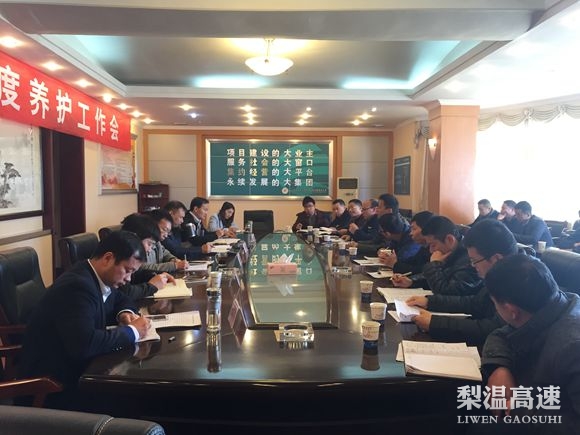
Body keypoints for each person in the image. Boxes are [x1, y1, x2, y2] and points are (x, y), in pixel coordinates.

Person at [19, 231, 151, 405]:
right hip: (53, 386)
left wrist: (124, 313)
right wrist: (133, 331)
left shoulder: (94, 275)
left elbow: (120, 298)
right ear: (108, 258)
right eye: (127, 270)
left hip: (79, 369)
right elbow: (85, 344)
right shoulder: (77, 286)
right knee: (139, 399)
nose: (129, 279)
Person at [479, 254, 580, 433]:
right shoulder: (554, 303)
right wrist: (499, 368)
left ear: (511, 310)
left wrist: (521, 409)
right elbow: (500, 335)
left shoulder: (572, 350)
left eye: (495, 304)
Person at [406, 219, 518, 345]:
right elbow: (475, 303)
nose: (473, 265)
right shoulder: (501, 275)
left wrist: (435, 323)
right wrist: (430, 302)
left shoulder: (521, 281)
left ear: (496, 259)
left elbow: (492, 328)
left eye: (474, 261)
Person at [392, 215, 482, 296]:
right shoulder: (451, 252)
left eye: (433, 245)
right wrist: (412, 282)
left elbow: (448, 293)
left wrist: (433, 266)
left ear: (449, 240)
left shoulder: (469, 259)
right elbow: (442, 278)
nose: (431, 250)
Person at [119, 213, 175, 299]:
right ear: (135, 237)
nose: (149, 250)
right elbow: (124, 293)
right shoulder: (120, 256)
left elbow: (138, 275)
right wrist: (152, 286)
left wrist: (156, 277)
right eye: (149, 244)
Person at [141, 209, 188, 273]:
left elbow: (164, 253)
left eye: (168, 232)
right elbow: (142, 267)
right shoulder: (143, 241)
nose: (166, 235)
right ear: (153, 225)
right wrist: (175, 266)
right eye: (164, 230)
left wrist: (173, 259)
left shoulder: (157, 242)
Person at [390, 211, 434, 275]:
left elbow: (420, 271)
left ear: (426, 230)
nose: (411, 233)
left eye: (414, 229)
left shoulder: (435, 251)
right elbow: (412, 262)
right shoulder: (424, 247)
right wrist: (393, 261)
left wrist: (395, 264)